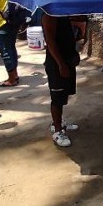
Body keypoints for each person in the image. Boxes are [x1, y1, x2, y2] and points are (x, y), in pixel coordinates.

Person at [42, 13, 83, 147]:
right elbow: (50, 41)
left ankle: (59, 121)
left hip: (67, 58)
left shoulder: (61, 13)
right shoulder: (49, 15)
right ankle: (57, 129)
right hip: (56, 63)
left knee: (65, 93)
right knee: (57, 97)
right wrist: (61, 64)